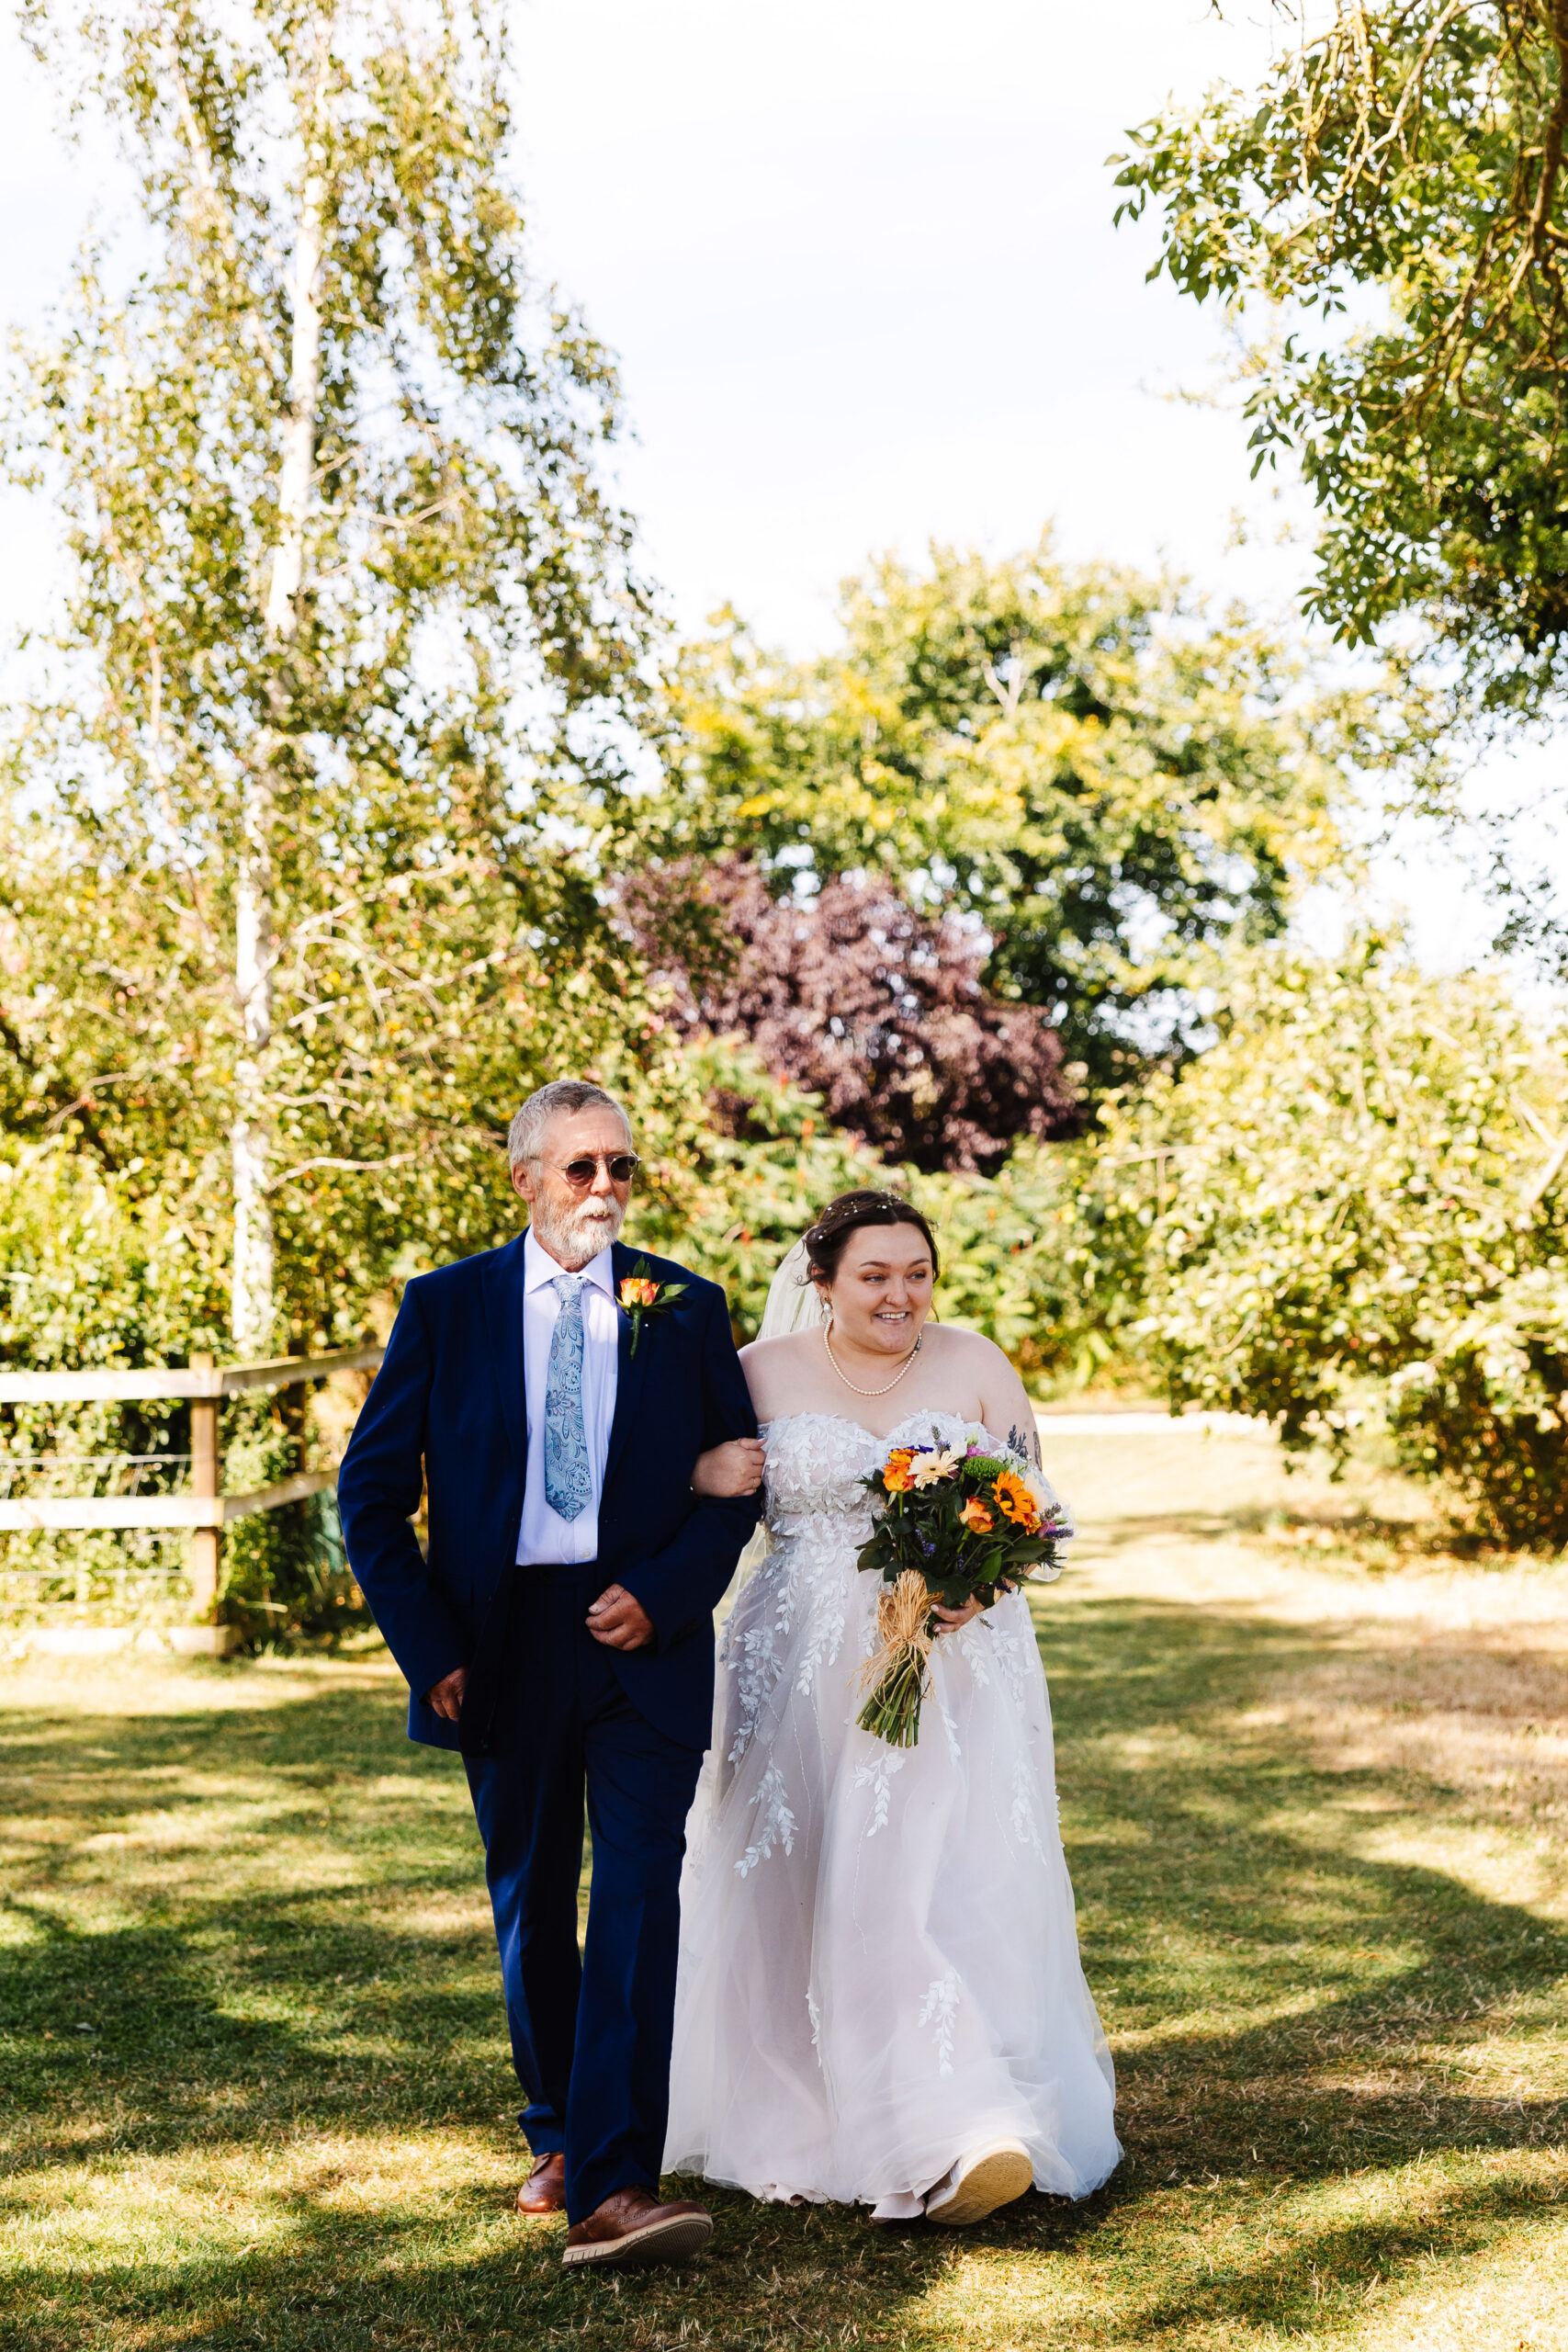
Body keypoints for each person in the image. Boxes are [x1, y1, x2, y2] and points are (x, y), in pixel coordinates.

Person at [337, 1080, 761, 2271]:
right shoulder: (447, 1308)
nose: (605, 1191)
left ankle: (616, 2182)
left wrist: (666, 1591)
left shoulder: (683, 1307)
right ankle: (561, 2134)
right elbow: (368, 1499)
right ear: (523, 1178)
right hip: (499, 1648)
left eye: (620, 1168)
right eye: (580, 1169)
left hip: (644, 1650)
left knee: (637, 1901)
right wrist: (431, 1651)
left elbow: (739, 1482)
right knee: (532, 1906)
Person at [665, 1190, 1120, 2225]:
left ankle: (963, 2121)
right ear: (820, 1281)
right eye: (875, 1274)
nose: (900, 1294)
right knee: (791, 1881)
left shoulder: (974, 1362)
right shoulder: (757, 1372)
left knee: (940, 1878)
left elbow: (1036, 1506)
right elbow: (687, 1486)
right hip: (796, 1666)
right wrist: (698, 1466)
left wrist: (980, 1581)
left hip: (953, 1665)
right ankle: (807, 2109)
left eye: (916, 1272)